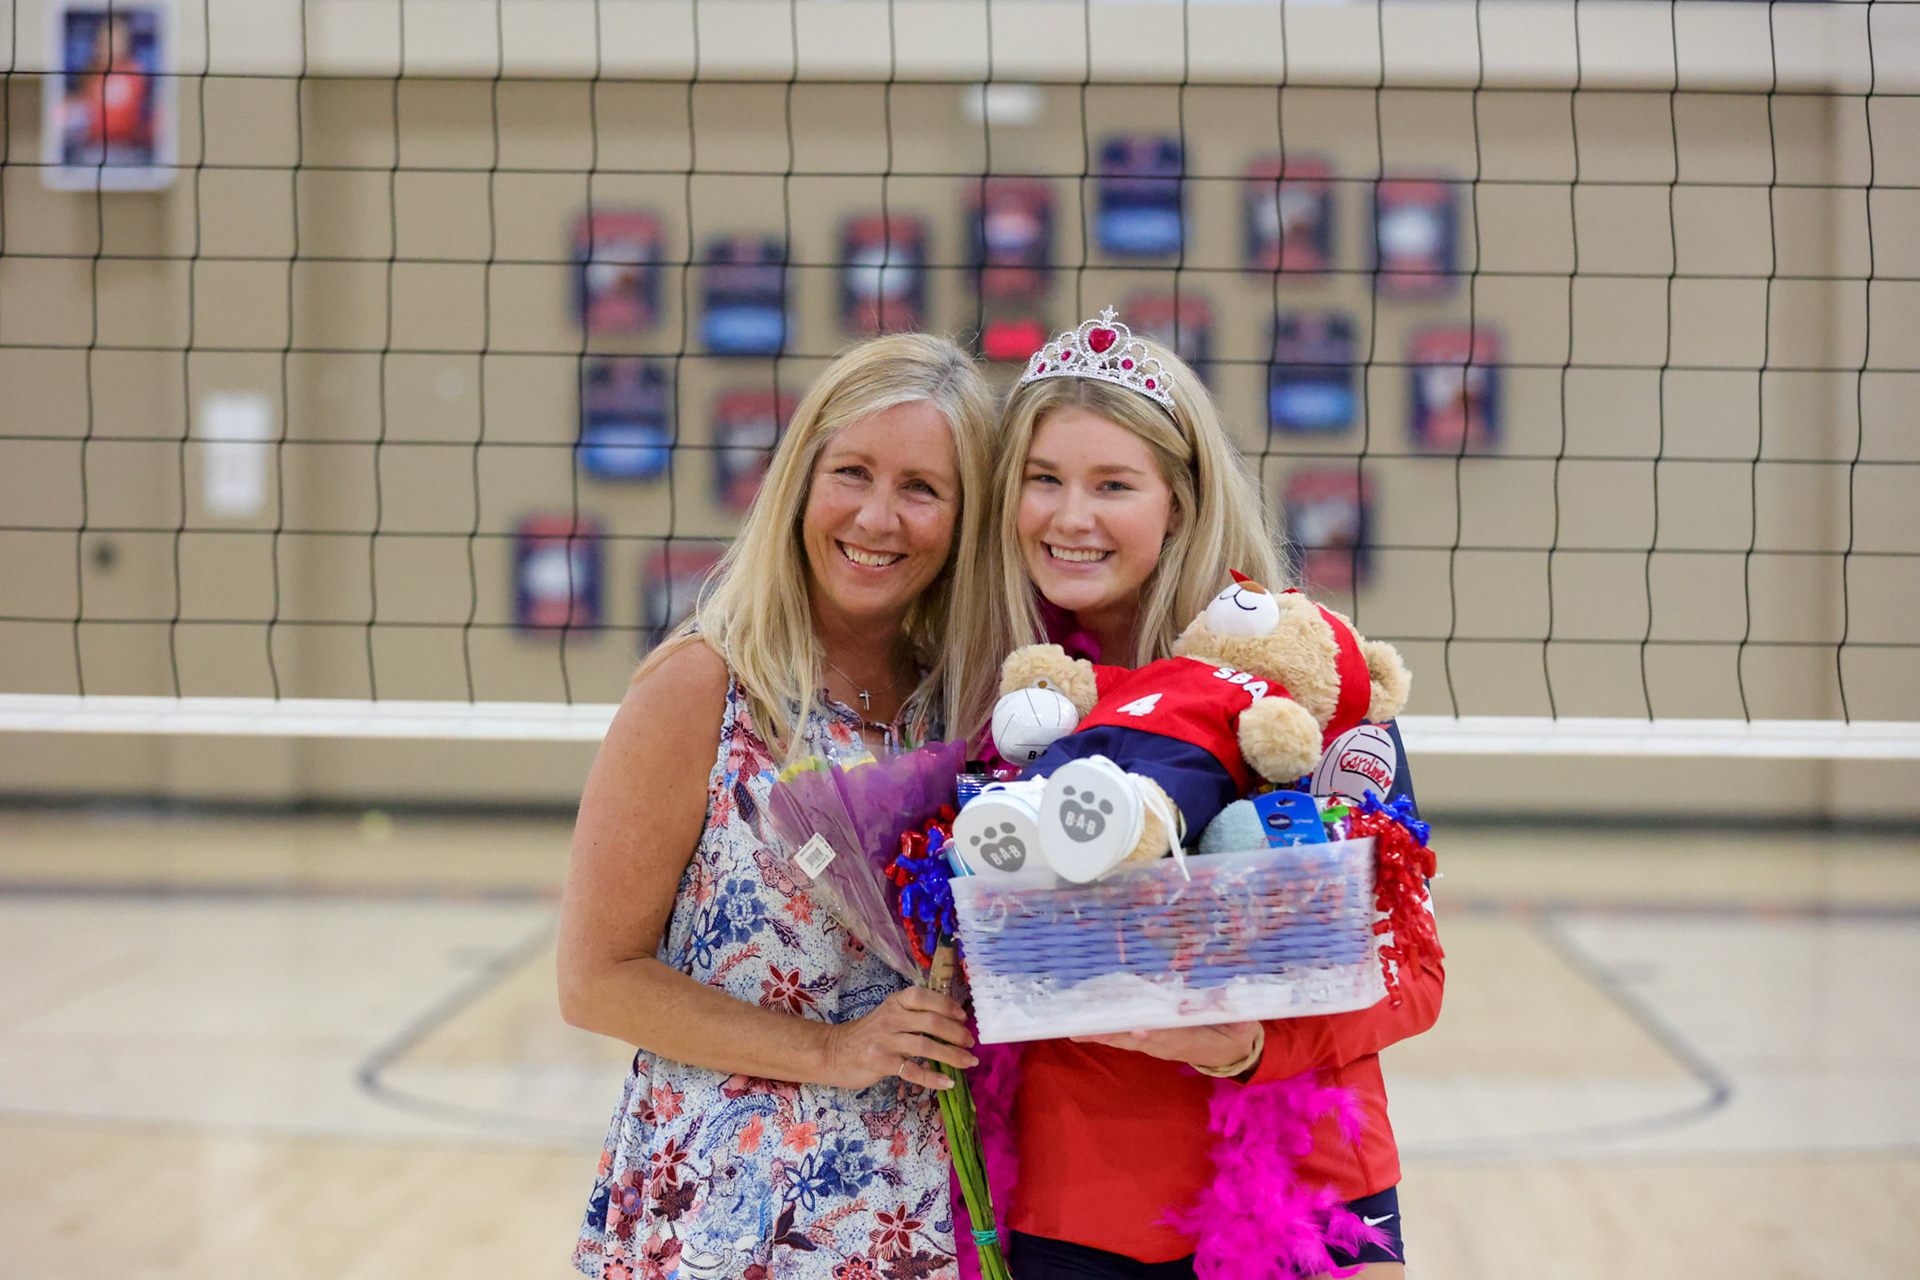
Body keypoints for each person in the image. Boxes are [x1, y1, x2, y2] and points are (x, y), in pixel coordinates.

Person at [983, 309, 1444, 1280]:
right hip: (1076, 1203)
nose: (1071, 516)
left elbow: (1412, 967)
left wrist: (1249, 1045)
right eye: (1044, 479)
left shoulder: (1308, 675)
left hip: (1306, 1185)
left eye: (1113, 483)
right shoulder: (991, 688)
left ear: (1181, 501)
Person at [561, 333, 1002, 1280]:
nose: (879, 517)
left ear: (967, 520)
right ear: (801, 478)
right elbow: (595, 978)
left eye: (923, 489)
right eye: (853, 472)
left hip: (928, 1216)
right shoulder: (704, 686)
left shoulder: (965, 709)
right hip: (732, 1211)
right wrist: (833, 1050)